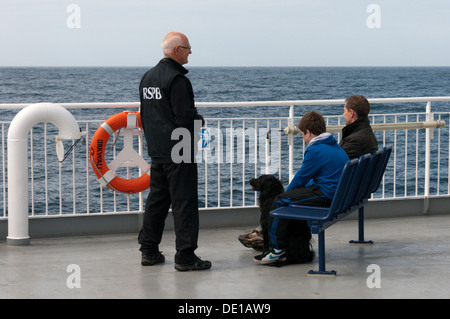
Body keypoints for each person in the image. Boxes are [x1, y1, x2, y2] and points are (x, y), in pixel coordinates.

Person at [138, 32, 211, 271]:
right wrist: (199, 120)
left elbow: (147, 115)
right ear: (177, 50)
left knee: (157, 202)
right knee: (184, 203)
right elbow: (183, 117)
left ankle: (148, 251)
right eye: (188, 48)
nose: (191, 52)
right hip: (180, 150)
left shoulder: (147, 78)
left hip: (158, 149)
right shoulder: (178, 80)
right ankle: (186, 257)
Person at [254, 111, 349, 265]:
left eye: (303, 135)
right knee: (289, 198)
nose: (304, 139)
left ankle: (276, 249)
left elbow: (301, 178)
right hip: (339, 194)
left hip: (329, 195)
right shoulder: (334, 145)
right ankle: (285, 246)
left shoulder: (315, 149)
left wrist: (286, 194)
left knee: (279, 201)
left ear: (309, 132)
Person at [340, 95, 378, 159]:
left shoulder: (354, 141)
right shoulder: (367, 132)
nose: (343, 115)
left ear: (351, 113)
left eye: (345, 111)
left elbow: (336, 161)